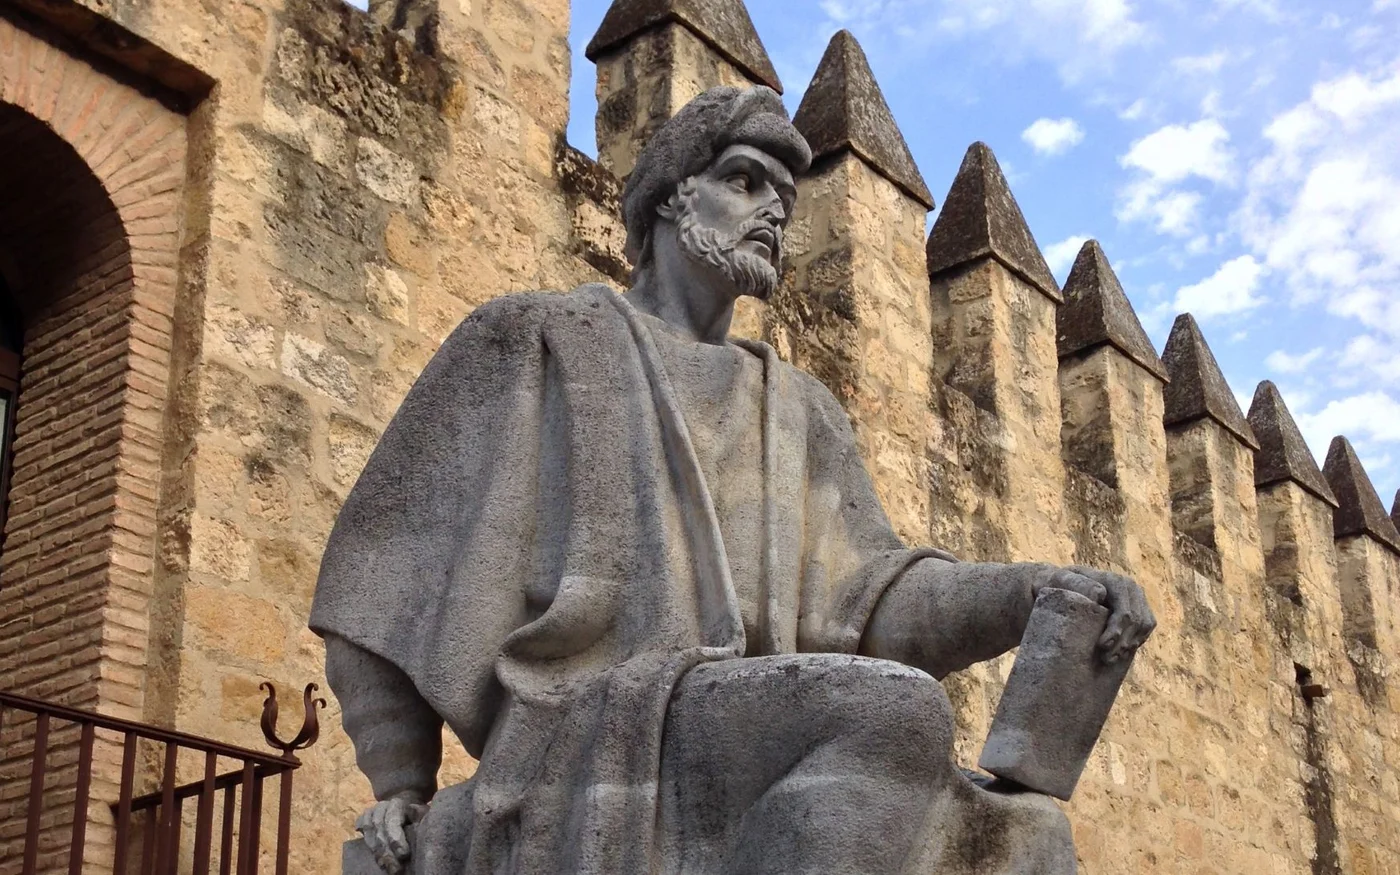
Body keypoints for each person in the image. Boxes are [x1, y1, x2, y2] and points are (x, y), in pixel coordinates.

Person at [311, 85, 1155, 875]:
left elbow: (871, 598)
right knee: (891, 711)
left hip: (758, 718)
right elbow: (385, 558)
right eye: (744, 182)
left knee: (1027, 833)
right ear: (672, 195)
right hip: (595, 725)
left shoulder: (799, 411)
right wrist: (400, 779)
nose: (771, 218)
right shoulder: (540, 339)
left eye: (783, 205)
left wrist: (1032, 593)